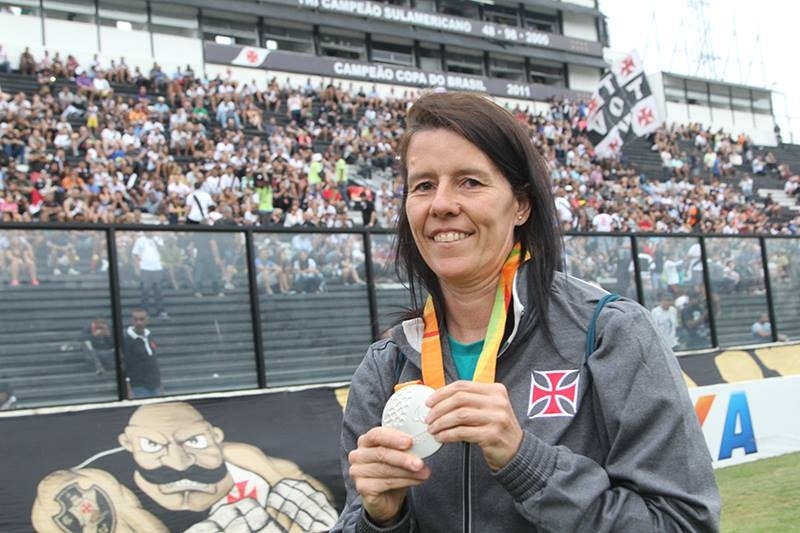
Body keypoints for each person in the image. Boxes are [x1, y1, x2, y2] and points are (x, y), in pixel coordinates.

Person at [332, 92, 719, 532]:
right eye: (423, 185)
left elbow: (683, 524)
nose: (440, 204)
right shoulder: (386, 364)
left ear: (521, 204)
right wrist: (380, 518)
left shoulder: (610, 333)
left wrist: (525, 461)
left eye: (469, 182)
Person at [32, 402, 338, 532]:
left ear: (214, 436)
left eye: (194, 442)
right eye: (154, 446)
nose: (178, 462)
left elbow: (316, 505)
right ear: (128, 443)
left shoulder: (244, 459)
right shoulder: (97, 485)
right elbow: (52, 502)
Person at [121, 308, 162, 399]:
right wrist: (129, 390)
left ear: (147, 319)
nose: (139, 322)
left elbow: (154, 362)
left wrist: (161, 385)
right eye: (136, 319)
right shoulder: (127, 340)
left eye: (142, 319)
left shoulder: (149, 336)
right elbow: (124, 365)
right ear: (132, 321)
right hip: (139, 386)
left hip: (155, 385)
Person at [131, 231, 170, 320]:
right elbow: (135, 254)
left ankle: (161, 311)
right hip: (145, 268)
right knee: (145, 290)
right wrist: (137, 268)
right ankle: (145, 312)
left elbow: (163, 251)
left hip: (157, 268)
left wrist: (156, 242)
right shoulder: (140, 240)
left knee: (158, 290)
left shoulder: (157, 240)